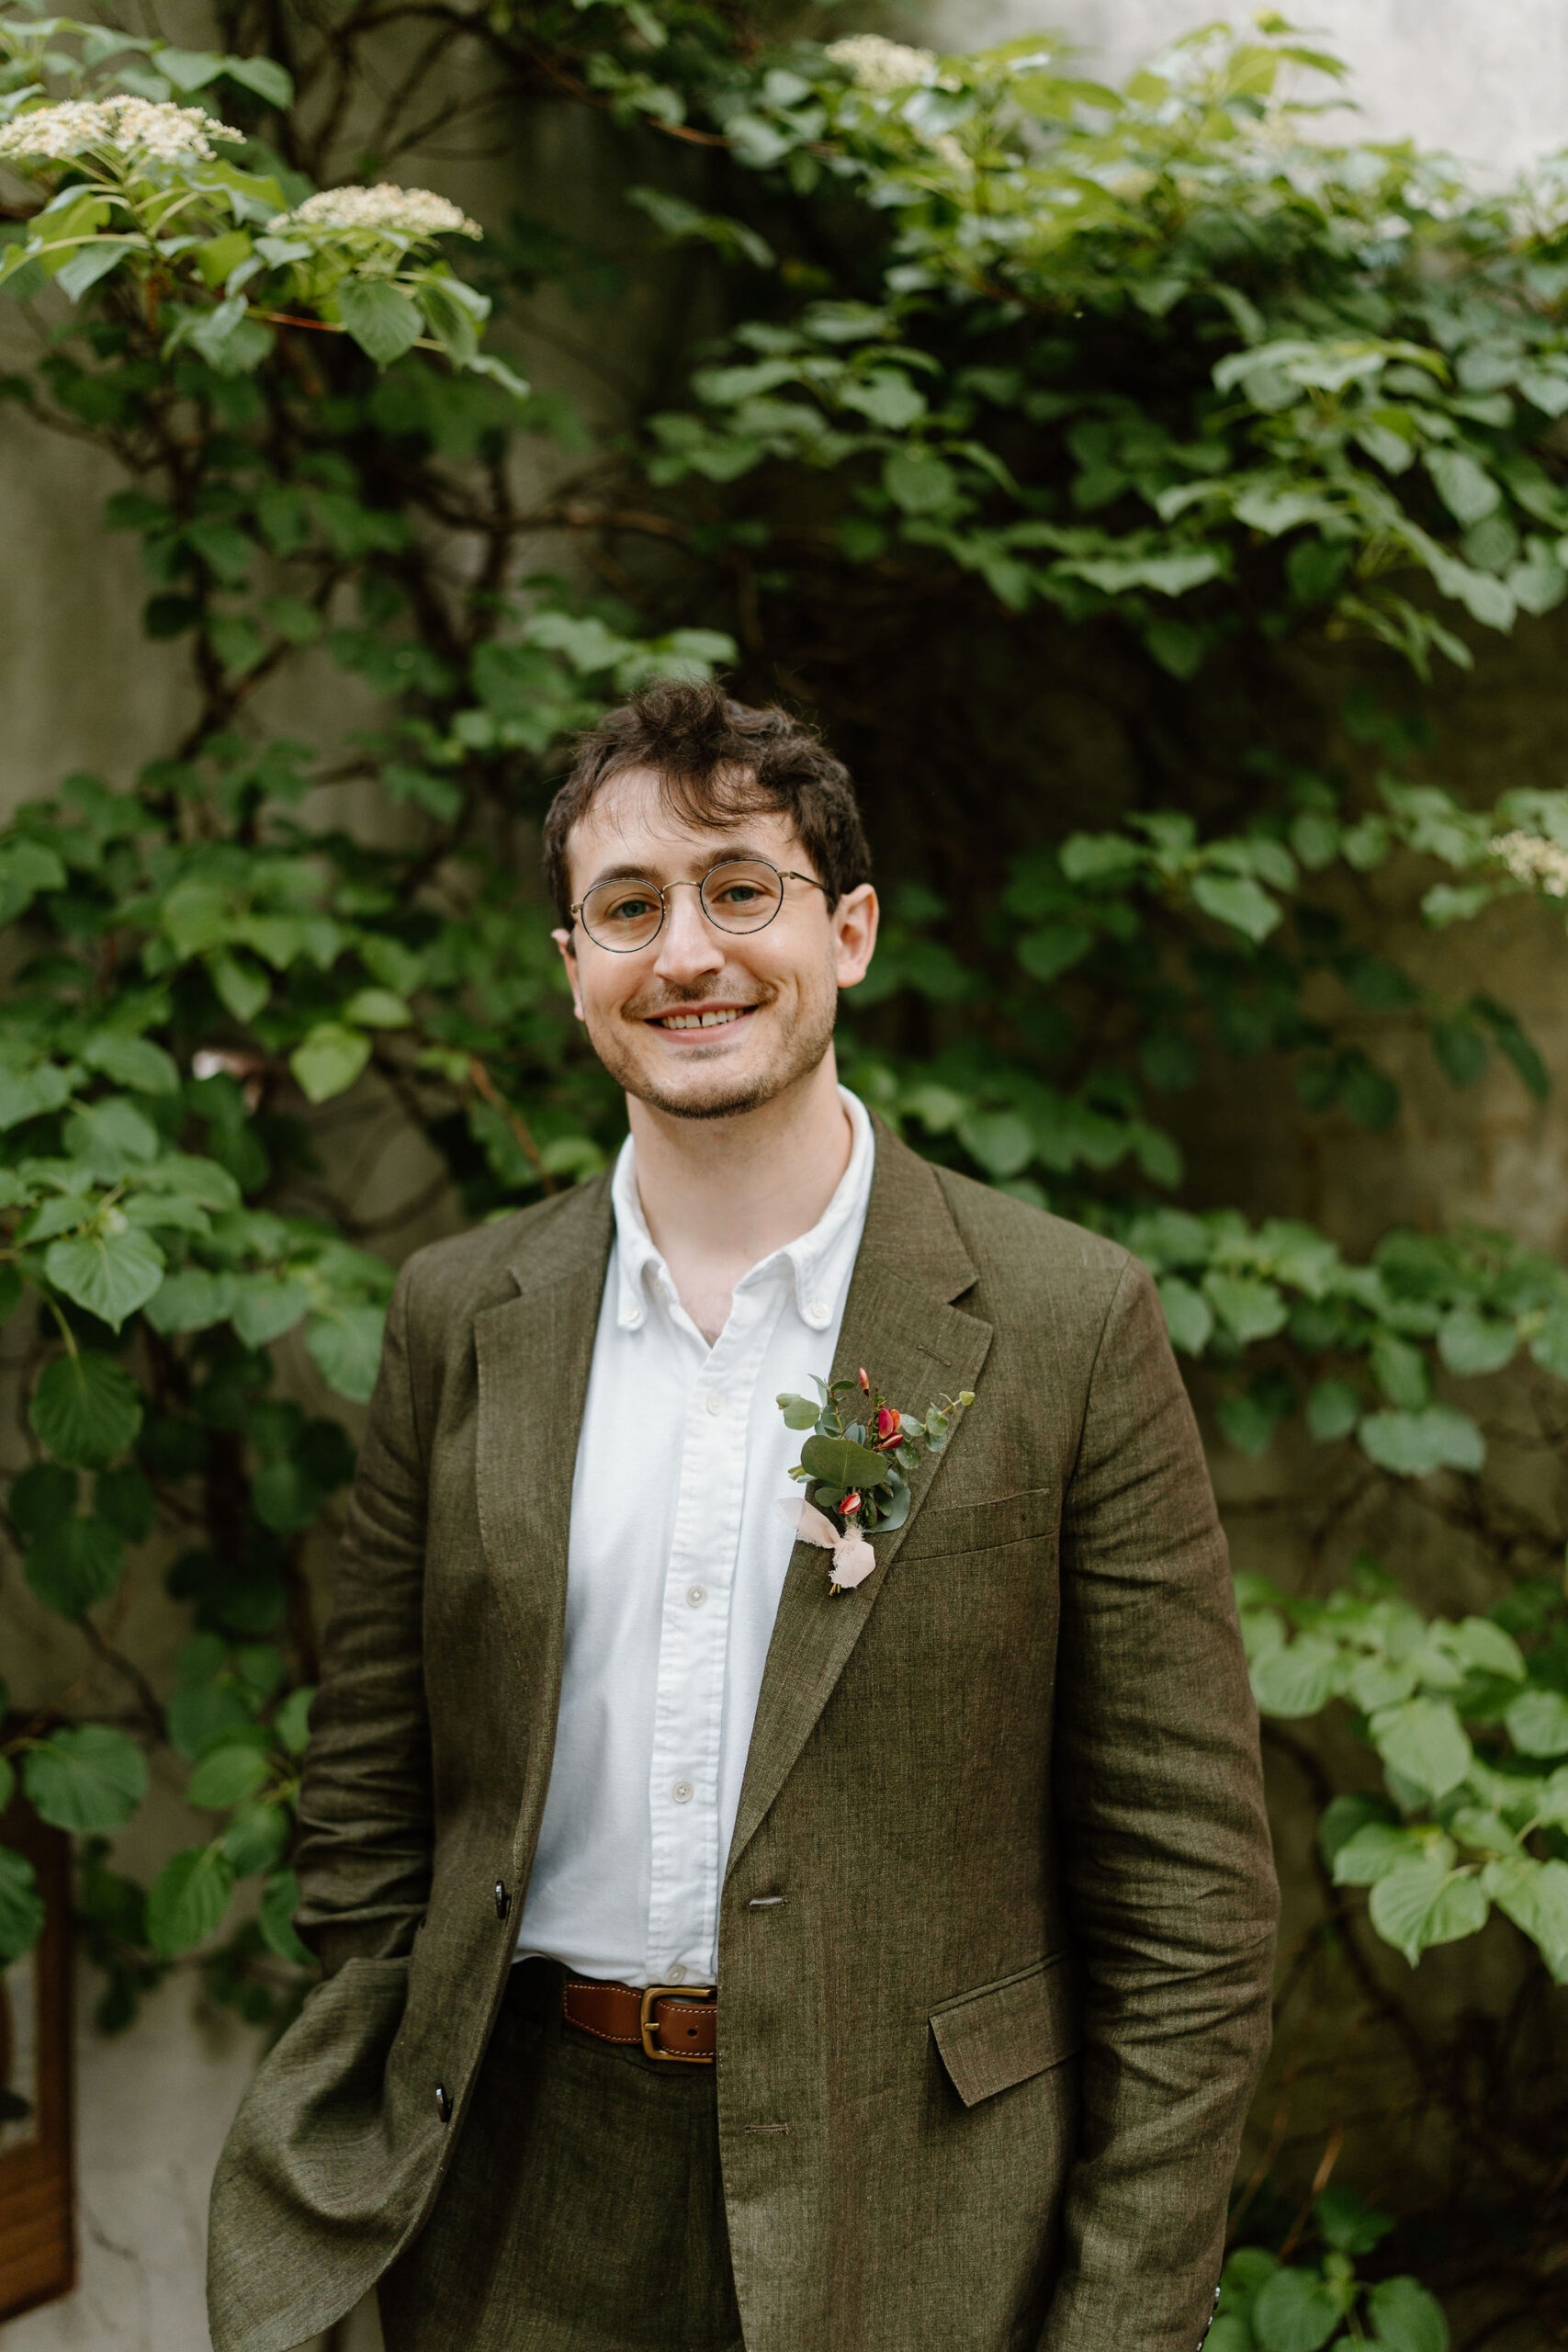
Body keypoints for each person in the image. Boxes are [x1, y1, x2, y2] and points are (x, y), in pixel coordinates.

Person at [208, 681, 1279, 2352]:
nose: (686, 951)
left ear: (846, 931)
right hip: (510, 2192)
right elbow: (369, 1822)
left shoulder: (1065, 1324)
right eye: (628, 908)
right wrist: (346, 2174)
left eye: (739, 888)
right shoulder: (456, 1314)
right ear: (575, 970)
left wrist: (1122, 2323)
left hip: (920, 2211)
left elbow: (1192, 1915)